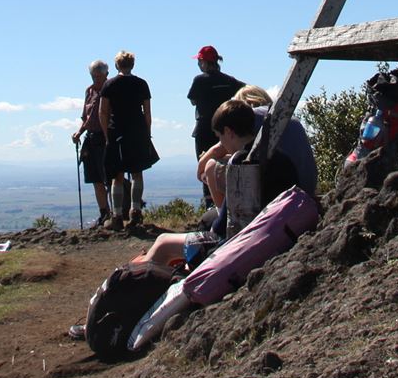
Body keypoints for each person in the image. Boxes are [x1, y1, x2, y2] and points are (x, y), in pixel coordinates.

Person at [135, 94, 315, 269]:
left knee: (163, 242)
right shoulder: (280, 158)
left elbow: (222, 226)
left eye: (220, 137)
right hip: (273, 235)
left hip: (233, 247)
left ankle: (139, 281)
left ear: (229, 132)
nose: (222, 144)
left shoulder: (241, 164)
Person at [99, 50, 159, 230]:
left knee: (116, 175)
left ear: (117, 65)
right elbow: (147, 112)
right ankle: (136, 212)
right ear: (132, 65)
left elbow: (103, 112)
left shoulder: (109, 84)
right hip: (138, 132)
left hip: (116, 131)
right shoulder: (141, 84)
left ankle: (117, 216)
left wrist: (105, 134)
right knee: (137, 172)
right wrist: (147, 133)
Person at [187, 46, 245, 208]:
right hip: (227, 131)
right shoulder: (228, 80)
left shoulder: (200, 80)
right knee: (227, 164)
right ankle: (228, 203)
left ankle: (210, 205)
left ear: (204, 62)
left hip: (204, 129)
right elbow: (245, 90)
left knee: (206, 166)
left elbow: (193, 100)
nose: (198, 64)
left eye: (199, 61)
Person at [72, 60, 112, 227]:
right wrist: (79, 132)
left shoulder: (111, 90)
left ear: (106, 75)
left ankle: (116, 213)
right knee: (95, 178)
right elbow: (86, 118)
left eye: (98, 76)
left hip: (106, 138)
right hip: (91, 137)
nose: (95, 79)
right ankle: (104, 213)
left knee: (108, 178)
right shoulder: (89, 91)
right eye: (93, 76)